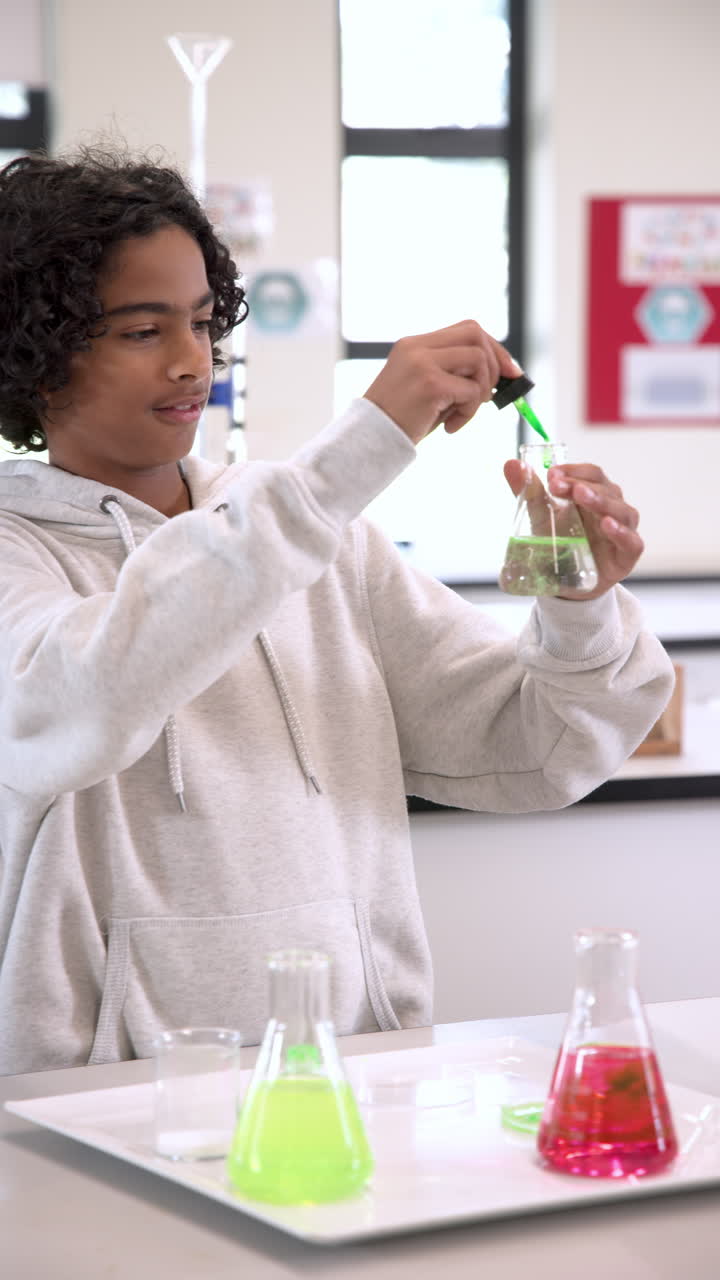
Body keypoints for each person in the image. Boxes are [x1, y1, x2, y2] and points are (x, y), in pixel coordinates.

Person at [0, 147, 673, 1076]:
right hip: (99, 1096)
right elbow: (89, 696)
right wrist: (363, 446)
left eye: (201, 323)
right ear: (36, 356)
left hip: (349, 1076)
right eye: (142, 332)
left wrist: (579, 609)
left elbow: (536, 749)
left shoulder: (323, 548)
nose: (194, 361)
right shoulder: (19, 550)